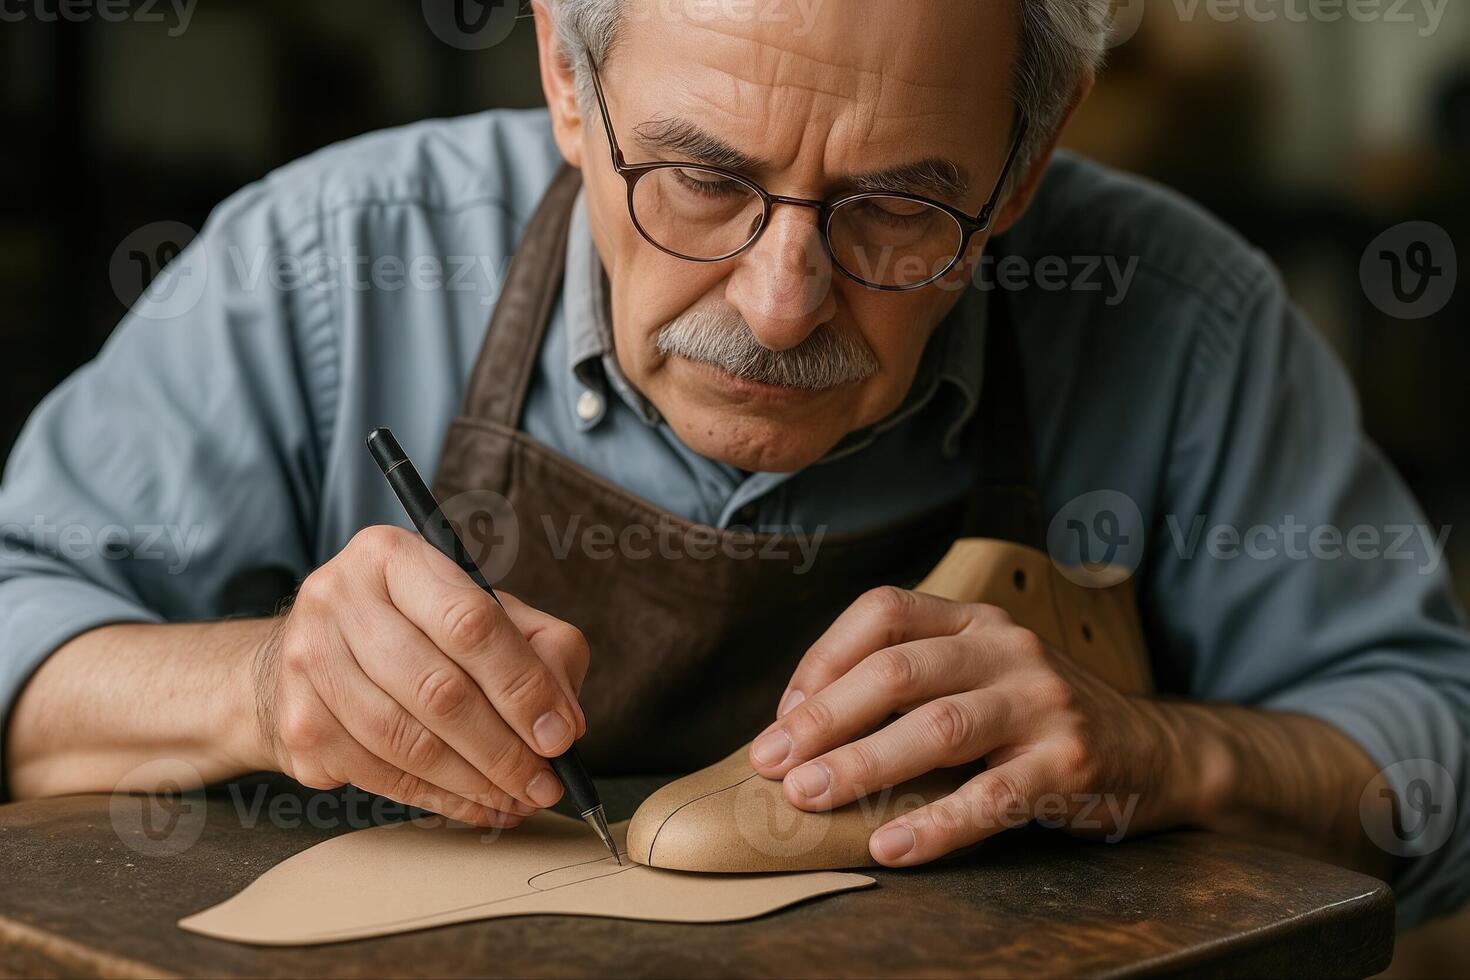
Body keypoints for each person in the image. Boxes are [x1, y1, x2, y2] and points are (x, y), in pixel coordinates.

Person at [1, 0, 1465, 927]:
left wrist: (1171, 756)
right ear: (567, 78)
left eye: (896, 208)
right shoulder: (331, 265)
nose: (778, 305)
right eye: (701, 180)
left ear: (1025, 161)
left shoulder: (1181, 317)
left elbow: (1433, 760)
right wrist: (260, 684)